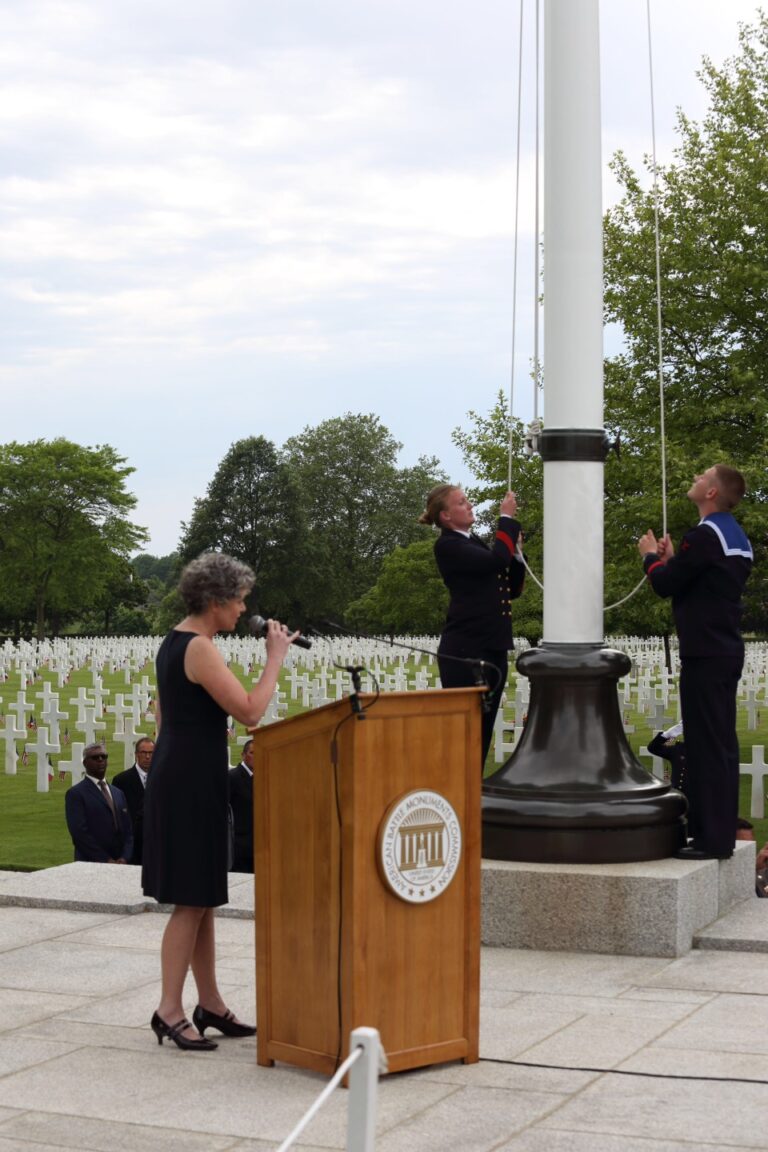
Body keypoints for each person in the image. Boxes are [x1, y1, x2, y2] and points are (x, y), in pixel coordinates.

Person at [142, 552, 297, 1052]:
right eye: (239, 601)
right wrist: (276, 658)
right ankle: (169, 1009)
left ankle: (209, 1002)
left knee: (203, 897)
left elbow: (167, 717)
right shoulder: (201, 648)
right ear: (215, 599)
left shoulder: (175, 640)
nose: (242, 610)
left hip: (186, 774)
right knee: (190, 901)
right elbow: (251, 711)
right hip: (189, 781)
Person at [637, 464, 753, 861]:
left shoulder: (704, 535)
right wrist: (673, 562)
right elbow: (697, 581)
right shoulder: (733, 534)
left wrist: (650, 558)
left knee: (706, 747)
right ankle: (712, 832)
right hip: (722, 648)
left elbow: (666, 585)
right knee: (719, 744)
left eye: (702, 476)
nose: (695, 479)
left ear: (711, 492)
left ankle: (711, 839)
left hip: (705, 652)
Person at [420, 484, 525, 768]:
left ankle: (471, 799)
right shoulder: (449, 545)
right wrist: (506, 519)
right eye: (462, 502)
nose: (469, 505)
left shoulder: (471, 541)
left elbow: (510, 588)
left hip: (492, 648)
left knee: (483, 731)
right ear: (445, 516)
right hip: (467, 651)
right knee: (466, 735)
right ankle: (460, 798)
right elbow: (495, 561)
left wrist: (516, 555)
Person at [64, 743, 133, 864]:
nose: (100, 760)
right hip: (91, 863)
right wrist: (105, 859)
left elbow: (128, 830)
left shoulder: (118, 793)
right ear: (85, 763)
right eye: (95, 757)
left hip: (120, 863)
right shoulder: (76, 794)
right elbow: (79, 833)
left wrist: (125, 857)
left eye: (104, 756)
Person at [111, 737, 155, 865]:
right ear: (136, 754)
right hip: (132, 848)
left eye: (151, 753)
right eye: (143, 753)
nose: (147, 757)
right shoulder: (121, 781)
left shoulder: (164, 779)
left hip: (157, 846)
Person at [229, 738, 254, 873]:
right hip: (239, 847)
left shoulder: (264, 775)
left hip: (260, 846)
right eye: (252, 753)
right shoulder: (232, 777)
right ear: (243, 755)